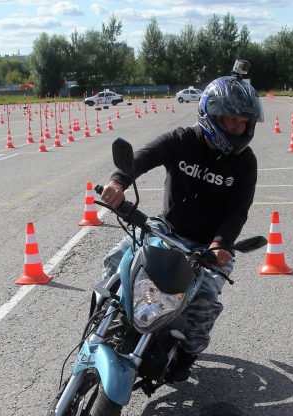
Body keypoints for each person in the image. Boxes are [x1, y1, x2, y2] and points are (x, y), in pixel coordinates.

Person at [99, 60, 264, 382]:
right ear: (212, 115)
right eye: (231, 120)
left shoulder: (246, 162)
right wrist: (118, 182)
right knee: (117, 259)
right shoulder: (182, 139)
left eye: (243, 122)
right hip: (165, 230)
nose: (237, 128)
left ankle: (188, 352)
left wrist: (221, 244)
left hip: (209, 246)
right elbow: (143, 157)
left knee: (203, 302)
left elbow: (238, 210)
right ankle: (108, 318)